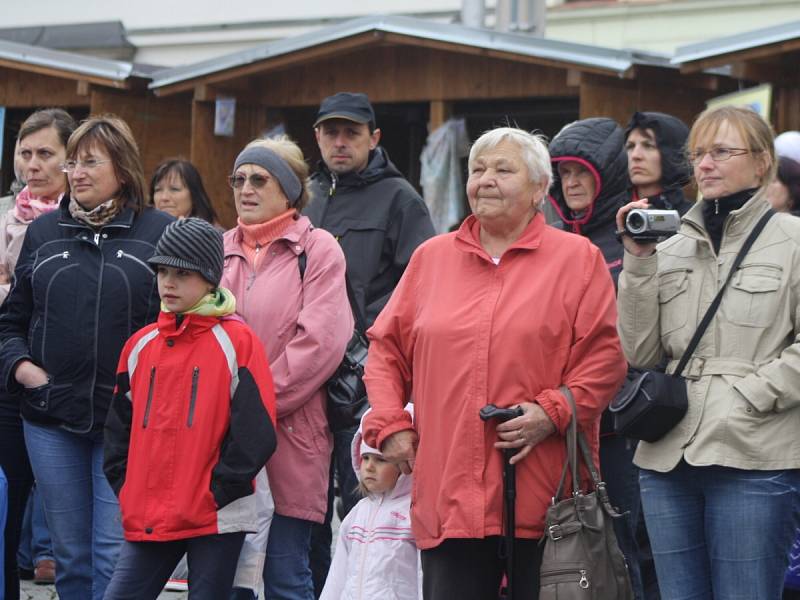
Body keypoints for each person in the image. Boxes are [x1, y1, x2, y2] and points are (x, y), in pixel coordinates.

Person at [362, 127, 627, 599]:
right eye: (477, 170)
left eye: (504, 170)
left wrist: (552, 412)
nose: (485, 180)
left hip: (547, 495)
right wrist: (390, 423)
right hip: (448, 492)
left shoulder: (578, 259)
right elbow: (385, 350)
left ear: (539, 191)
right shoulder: (432, 258)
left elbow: (604, 360)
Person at [616, 105, 800, 599]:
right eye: (698, 154)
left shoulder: (794, 240)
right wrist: (637, 263)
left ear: (762, 162)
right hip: (666, 456)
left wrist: (753, 395)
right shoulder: (669, 245)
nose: (706, 164)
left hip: (754, 452)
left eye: (722, 151)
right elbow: (640, 350)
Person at [0, 114, 173, 600]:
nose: (76, 172)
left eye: (90, 161)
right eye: (72, 161)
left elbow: (181, 326)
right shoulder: (45, 232)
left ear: (122, 167)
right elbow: (12, 321)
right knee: (69, 558)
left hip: (128, 422)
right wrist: (23, 370)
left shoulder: (160, 231)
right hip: (50, 419)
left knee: (112, 555)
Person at [102, 218, 278, 599]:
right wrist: (128, 487)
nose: (168, 282)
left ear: (211, 278)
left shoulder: (238, 341)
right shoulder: (139, 345)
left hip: (216, 515)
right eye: (162, 271)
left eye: (182, 273)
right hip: (149, 513)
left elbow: (256, 431)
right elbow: (118, 429)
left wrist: (216, 492)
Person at [303, 92, 435, 595]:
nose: (340, 142)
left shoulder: (401, 198)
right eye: (330, 132)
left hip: (365, 378)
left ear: (373, 138)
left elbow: (421, 292)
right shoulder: (306, 195)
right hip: (304, 374)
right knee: (303, 505)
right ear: (316, 137)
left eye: (351, 132)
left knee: (358, 498)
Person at [221, 136, 352, 600]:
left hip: (290, 437)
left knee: (284, 577)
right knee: (228, 581)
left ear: (290, 190)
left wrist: (250, 407)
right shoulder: (217, 249)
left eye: (260, 178)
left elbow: (319, 344)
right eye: (238, 179)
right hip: (224, 440)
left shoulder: (318, 251)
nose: (245, 189)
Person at [547, 116, 653, 599]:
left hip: (620, 430)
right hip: (560, 427)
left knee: (627, 549)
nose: (570, 184)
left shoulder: (637, 237)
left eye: (580, 172)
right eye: (562, 173)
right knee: (570, 551)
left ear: (607, 173)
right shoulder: (551, 244)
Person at [0, 108, 75, 600]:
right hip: (7, 373)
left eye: (46, 153)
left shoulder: (80, 218)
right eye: (25, 153)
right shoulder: (5, 213)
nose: (33, 164)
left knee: (65, 518)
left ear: (72, 159)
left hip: (59, 378)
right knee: (7, 506)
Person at [320, 406, 418, 600]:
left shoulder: (414, 514)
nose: (370, 467)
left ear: (406, 462)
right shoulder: (357, 514)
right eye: (365, 458)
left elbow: (425, 576)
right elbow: (337, 575)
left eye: (381, 460)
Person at [625, 111, 693, 214]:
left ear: (672, 154)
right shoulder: (610, 213)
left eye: (648, 146)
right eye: (630, 146)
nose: (635, 155)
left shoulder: (692, 218)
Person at [150, 158, 219, 224]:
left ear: (194, 195)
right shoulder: (145, 230)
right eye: (158, 190)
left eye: (174, 189)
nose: (164, 197)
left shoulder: (212, 234)